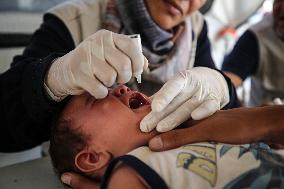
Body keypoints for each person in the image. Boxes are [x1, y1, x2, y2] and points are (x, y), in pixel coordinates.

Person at [1, 0, 239, 152]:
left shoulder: (197, 29)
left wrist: (222, 86)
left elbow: (227, 116)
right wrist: (51, 80)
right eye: (96, 98)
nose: (125, 88)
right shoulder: (72, 20)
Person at [50, 85, 284, 189]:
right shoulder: (129, 171)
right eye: (96, 99)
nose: (121, 87)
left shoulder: (196, 129)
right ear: (92, 157)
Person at [222, 0, 284, 106]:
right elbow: (228, 80)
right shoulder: (255, 37)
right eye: (278, 0)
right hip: (262, 118)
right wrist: (216, 86)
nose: (282, 8)